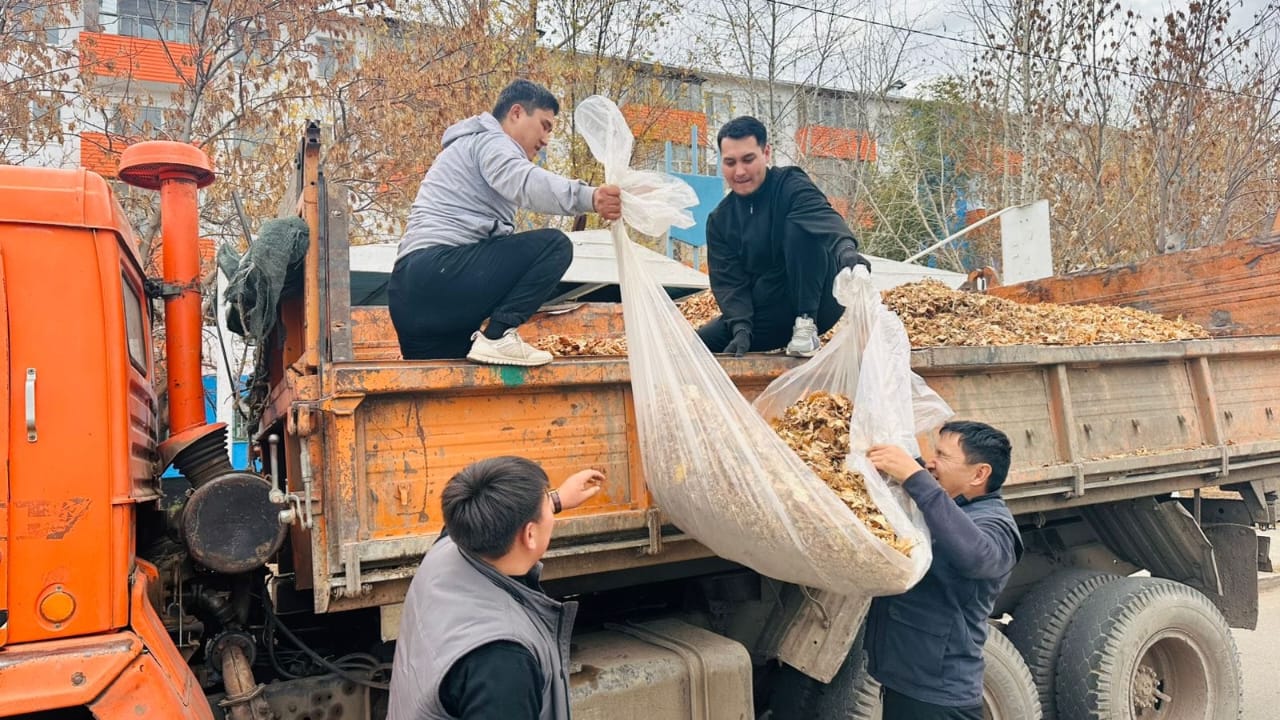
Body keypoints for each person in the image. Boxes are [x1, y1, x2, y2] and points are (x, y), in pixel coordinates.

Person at [389, 79, 623, 367]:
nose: (546, 139)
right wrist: (590, 197)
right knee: (554, 247)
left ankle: (490, 343)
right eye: (545, 125)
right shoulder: (491, 141)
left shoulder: (463, 148)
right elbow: (523, 182)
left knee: (451, 389)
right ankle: (499, 336)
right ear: (516, 113)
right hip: (437, 272)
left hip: (409, 298)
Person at [388, 456, 605, 720]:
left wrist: (557, 500)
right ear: (529, 535)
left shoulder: (448, 548)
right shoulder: (503, 662)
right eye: (547, 504)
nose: (552, 508)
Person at [864, 421, 1023, 720]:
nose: (931, 462)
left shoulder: (996, 524)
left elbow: (976, 555)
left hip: (938, 697)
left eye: (943, 456)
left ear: (980, 474)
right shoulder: (947, 508)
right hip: (905, 683)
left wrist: (915, 477)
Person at [697, 115, 871, 358]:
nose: (739, 171)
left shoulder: (790, 184)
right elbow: (730, 283)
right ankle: (753, 333)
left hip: (819, 301)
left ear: (766, 153)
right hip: (771, 309)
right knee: (698, 344)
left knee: (800, 226)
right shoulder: (720, 221)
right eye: (730, 162)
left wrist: (847, 253)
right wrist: (741, 328)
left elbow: (823, 217)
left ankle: (805, 324)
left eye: (748, 159)